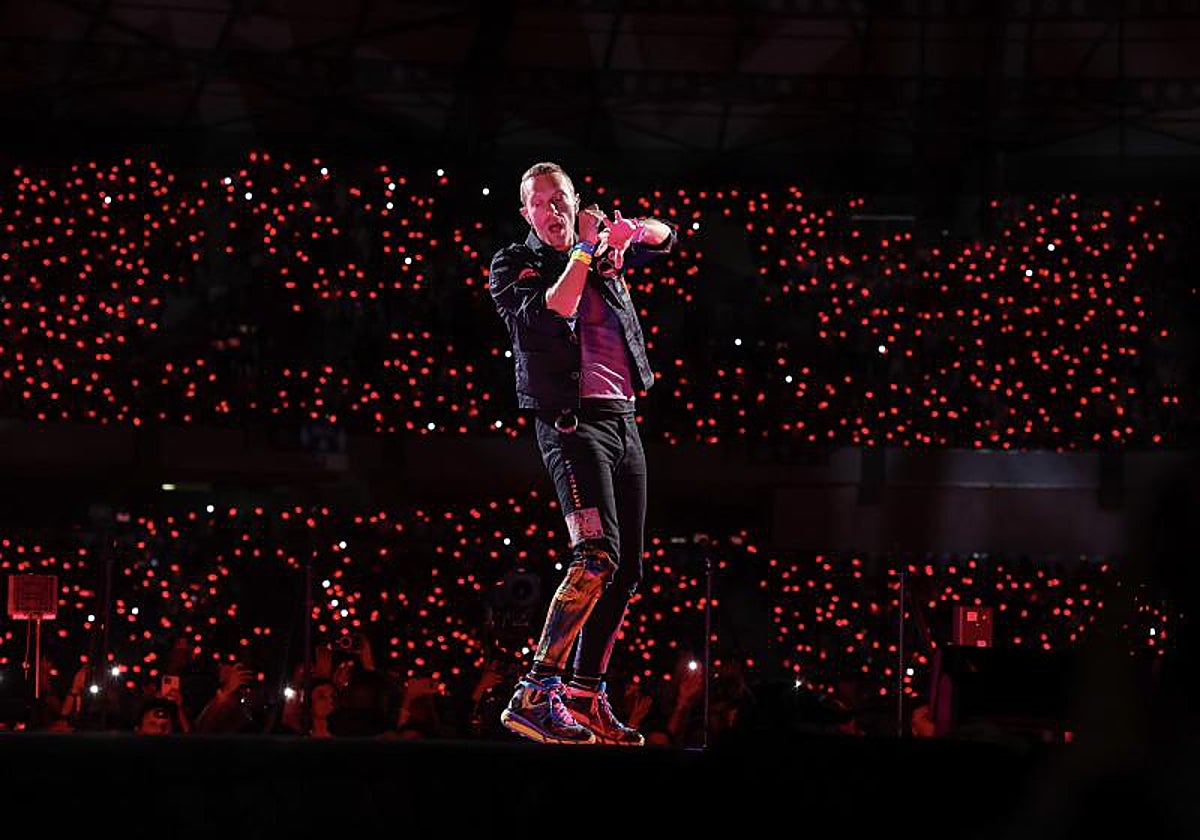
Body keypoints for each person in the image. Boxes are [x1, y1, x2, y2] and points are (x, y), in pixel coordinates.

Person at [488, 161, 677, 746]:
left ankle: (583, 696)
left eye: (560, 199)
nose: (552, 210)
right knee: (596, 556)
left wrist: (630, 232)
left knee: (627, 571)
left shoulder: (600, 248)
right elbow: (558, 308)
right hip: (572, 427)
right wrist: (588, 249)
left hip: (624, 420)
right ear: (526, 213)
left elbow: (668, 236)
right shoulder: (513, 265)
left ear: (575, 200)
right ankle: (534, 694)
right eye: (539, 202)